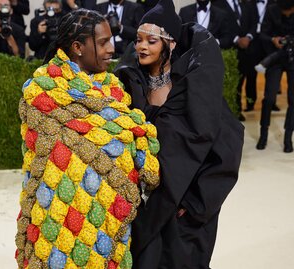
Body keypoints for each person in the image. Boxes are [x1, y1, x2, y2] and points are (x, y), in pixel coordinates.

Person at [16, 9, 160, 269]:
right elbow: (50, 156)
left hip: (106, 220)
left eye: (110, 40)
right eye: (103, 42)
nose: (111, 48)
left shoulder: (113, 89)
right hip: (57, 223)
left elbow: (120, 141)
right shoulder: (41, 90)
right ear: (78, 47)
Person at [114, 0, 244, 268]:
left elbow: (226, 145)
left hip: (183, 210)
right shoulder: (128, 86)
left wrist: (197, 202)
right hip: (142, 208)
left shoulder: (193, 88)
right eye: (138, 40)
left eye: (151, 41)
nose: (141, 46)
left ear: (170, 44)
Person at [256, 0, 294, 152]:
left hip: (293, 59)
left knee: (293, 99)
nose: (287, 14)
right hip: (275, 57)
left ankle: (288, 138)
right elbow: (262, 34)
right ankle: (263, 134)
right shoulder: (271, 10)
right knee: (269, 98)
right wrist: (273, 39)